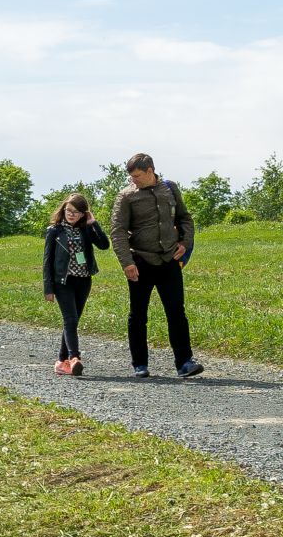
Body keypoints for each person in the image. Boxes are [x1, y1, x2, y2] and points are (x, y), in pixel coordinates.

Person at [110, 153, 202, 379]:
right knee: (138, 315)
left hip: (169, 261)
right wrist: (127, 263)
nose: (134, 180)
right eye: (131, 176)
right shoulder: (126, 197)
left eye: (138, 176)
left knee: (176, 312)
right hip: (140, 262)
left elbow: (185, 219)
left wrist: (185, 243)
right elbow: (118, 232)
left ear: (150, 171)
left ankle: (185, 363)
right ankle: (139, 364)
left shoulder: (170, 188)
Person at [43, 193, 108, 376]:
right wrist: (48, 288)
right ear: (63, 209)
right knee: (70, 319)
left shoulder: (86, 229)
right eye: (68, 210)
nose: (71, 214)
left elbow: (104, 245)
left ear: (83, 214)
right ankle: (74, 358)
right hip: (63, 282)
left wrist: (93, 223)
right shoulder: (54, 231)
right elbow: (47, 261)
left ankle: (61, 362)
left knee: (73, 321)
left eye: (76, 212)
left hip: (83, 280)